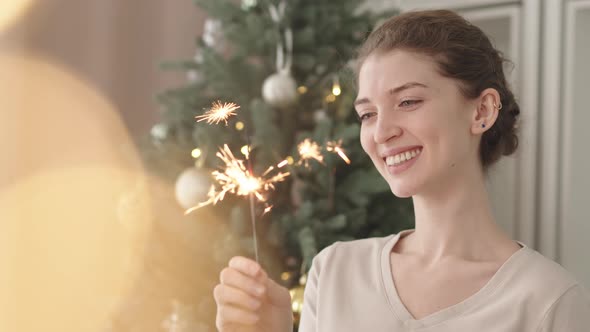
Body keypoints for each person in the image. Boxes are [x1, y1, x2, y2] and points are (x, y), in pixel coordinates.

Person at [212, 9, 590, 331]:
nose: (382, 131)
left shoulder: (548, 301)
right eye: (367, 114)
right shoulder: (334, 273)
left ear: (482, 111)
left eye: (408, 101)